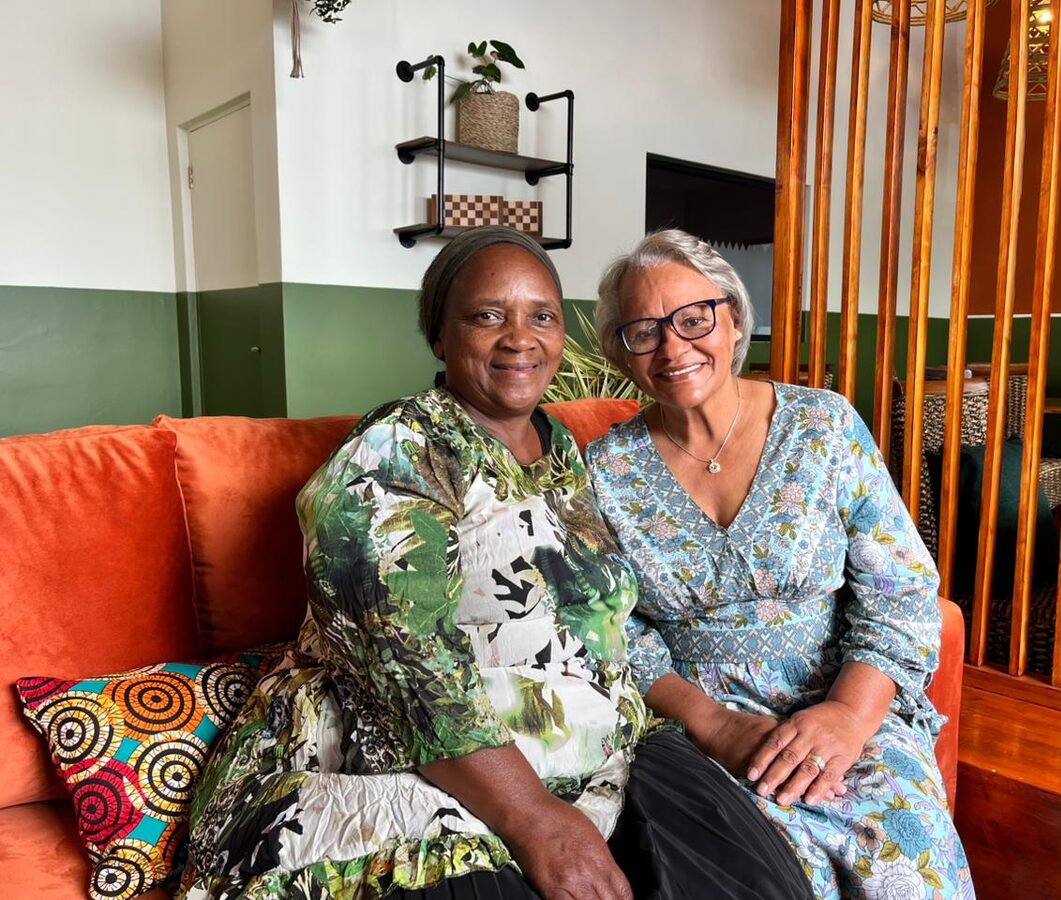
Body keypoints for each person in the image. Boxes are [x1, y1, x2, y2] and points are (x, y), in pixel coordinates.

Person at [181, 227, 813, 900]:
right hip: (402, 763)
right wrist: (536, 821)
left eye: (540, 316)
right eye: (487, 316)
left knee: (750, 874)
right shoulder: (396, 452)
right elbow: (404, 666)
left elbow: (609, 623)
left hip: (604, 747)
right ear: (440, 338)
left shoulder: (565, 451)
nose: (520, 338)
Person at [585, 229, 975, 899]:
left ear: (733, 317)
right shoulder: (605, 470)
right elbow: (609, 628)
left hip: (845, 696)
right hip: (692, 722)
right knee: (769, 876)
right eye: (643, 331)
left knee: (904, 868)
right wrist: (712, 725)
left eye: (693, 317)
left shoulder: (823, 425)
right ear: (622, 353)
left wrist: (849, 716)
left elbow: (900, 591)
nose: (674, 346)